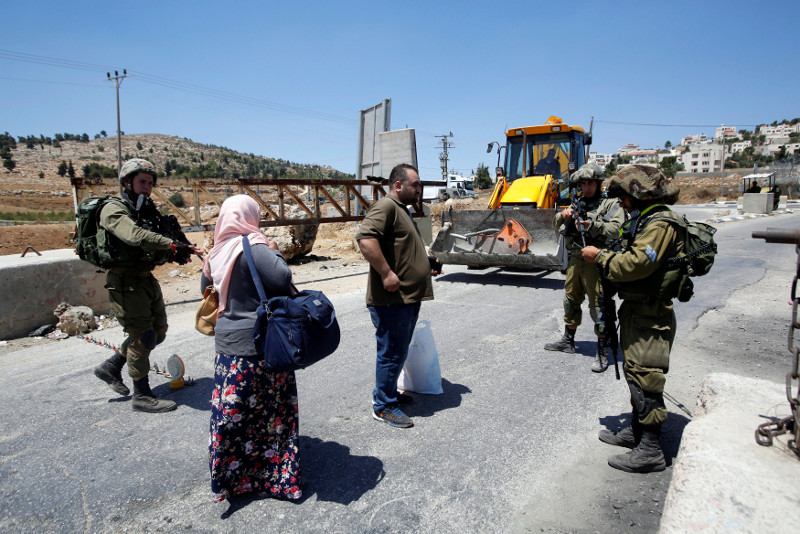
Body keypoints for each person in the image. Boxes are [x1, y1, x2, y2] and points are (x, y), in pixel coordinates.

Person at [581, 165, 685, 473]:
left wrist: (598, 257)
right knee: (634, 371)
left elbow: (637, 264)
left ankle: (651, 449)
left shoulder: (661, 224)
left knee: (646, 375)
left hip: (651, 314)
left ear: (640, 193)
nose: (623, 203)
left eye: (625, 196)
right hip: (637, 310)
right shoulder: (645, 220)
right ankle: (638, 432)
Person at [201, 195, 301, 502]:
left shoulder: (216, 252)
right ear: (251, 216)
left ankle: (232, 479)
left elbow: (205, 290)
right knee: (272, 414)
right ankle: (275, 480)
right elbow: (282, 278)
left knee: (233, 415)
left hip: (226, 349)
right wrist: (276, 252)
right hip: (259, 347)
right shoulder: (254, 245)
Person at [93, 158, 200, 413]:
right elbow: (133, 235)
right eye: (142, 182)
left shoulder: (145, 211)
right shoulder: (113, 209)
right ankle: (141, 395)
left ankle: (111, 366)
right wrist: (170, 244)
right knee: (144, 336)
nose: (147, 188)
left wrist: (176, 250)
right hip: (125, 282)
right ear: (127, 182)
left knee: (158, 331)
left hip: (145, 279)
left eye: (150, 183)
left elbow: (153, 242)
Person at [356, 163, 442, 429]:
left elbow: (403, 249)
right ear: (397, 185)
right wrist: (386, 273)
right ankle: (382, 406)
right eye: (415, 184)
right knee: (391, 353)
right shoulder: (386, 207)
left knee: (398, 351)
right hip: (391, 299)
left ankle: (389, 394)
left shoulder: (402, 211)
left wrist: (426, 262)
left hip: (406, 298)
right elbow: (365, 239)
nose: (419, 189)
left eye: (419, 185)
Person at [544, 163, 626, 373]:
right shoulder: (577, 202)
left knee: (599, 306)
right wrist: (563, 215)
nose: (587, 187)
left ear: (598, 183)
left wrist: (592, 224)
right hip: (575, 259)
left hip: (596, 260)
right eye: (583, 183)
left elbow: (616, 230)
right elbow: (556, 225)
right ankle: (568, 340)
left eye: (590, 183)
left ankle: (602, 350)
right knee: (570, 300)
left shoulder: (610, 205)